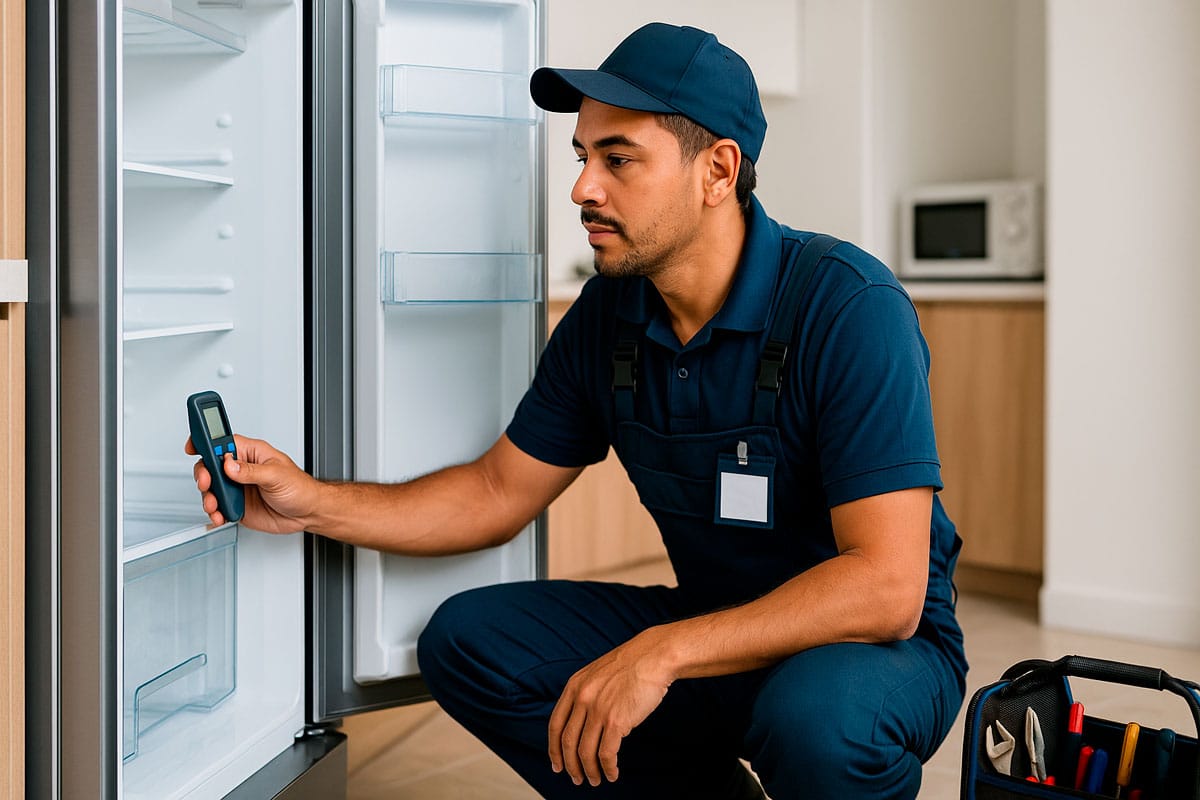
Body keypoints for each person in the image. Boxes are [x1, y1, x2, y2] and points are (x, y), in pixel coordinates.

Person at [188, 22, 967, 800]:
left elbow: (885, 589)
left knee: (819, 722)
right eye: (583, 157)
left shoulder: (847, 305)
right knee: (468, 641)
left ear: (718, 171)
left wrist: (660, 654)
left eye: (618, 159)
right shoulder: (609, 316)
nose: (583, 188)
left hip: (873, 653)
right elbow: (496, 493)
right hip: (713, 624)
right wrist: (309, 502)